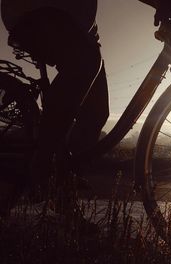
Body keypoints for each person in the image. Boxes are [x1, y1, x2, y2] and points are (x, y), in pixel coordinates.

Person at [1, 0, 109, 197]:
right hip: (36, 10)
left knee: (96, 113)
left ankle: (62, 189)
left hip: (81, 28)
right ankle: (43, 167)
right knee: (85, 61)